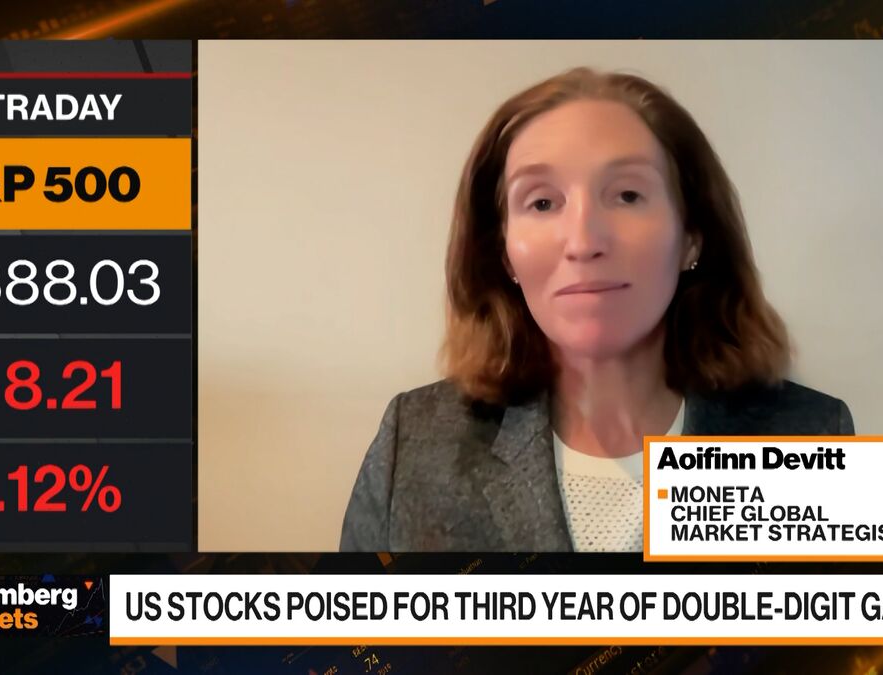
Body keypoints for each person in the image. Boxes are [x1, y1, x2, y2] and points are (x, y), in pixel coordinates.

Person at [340, 67, 853, 553]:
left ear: (692, 237)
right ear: (505, 254)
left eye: (627, 195)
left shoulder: (812, 434)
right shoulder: (413, 445)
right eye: (542, 203)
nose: (584, 242)